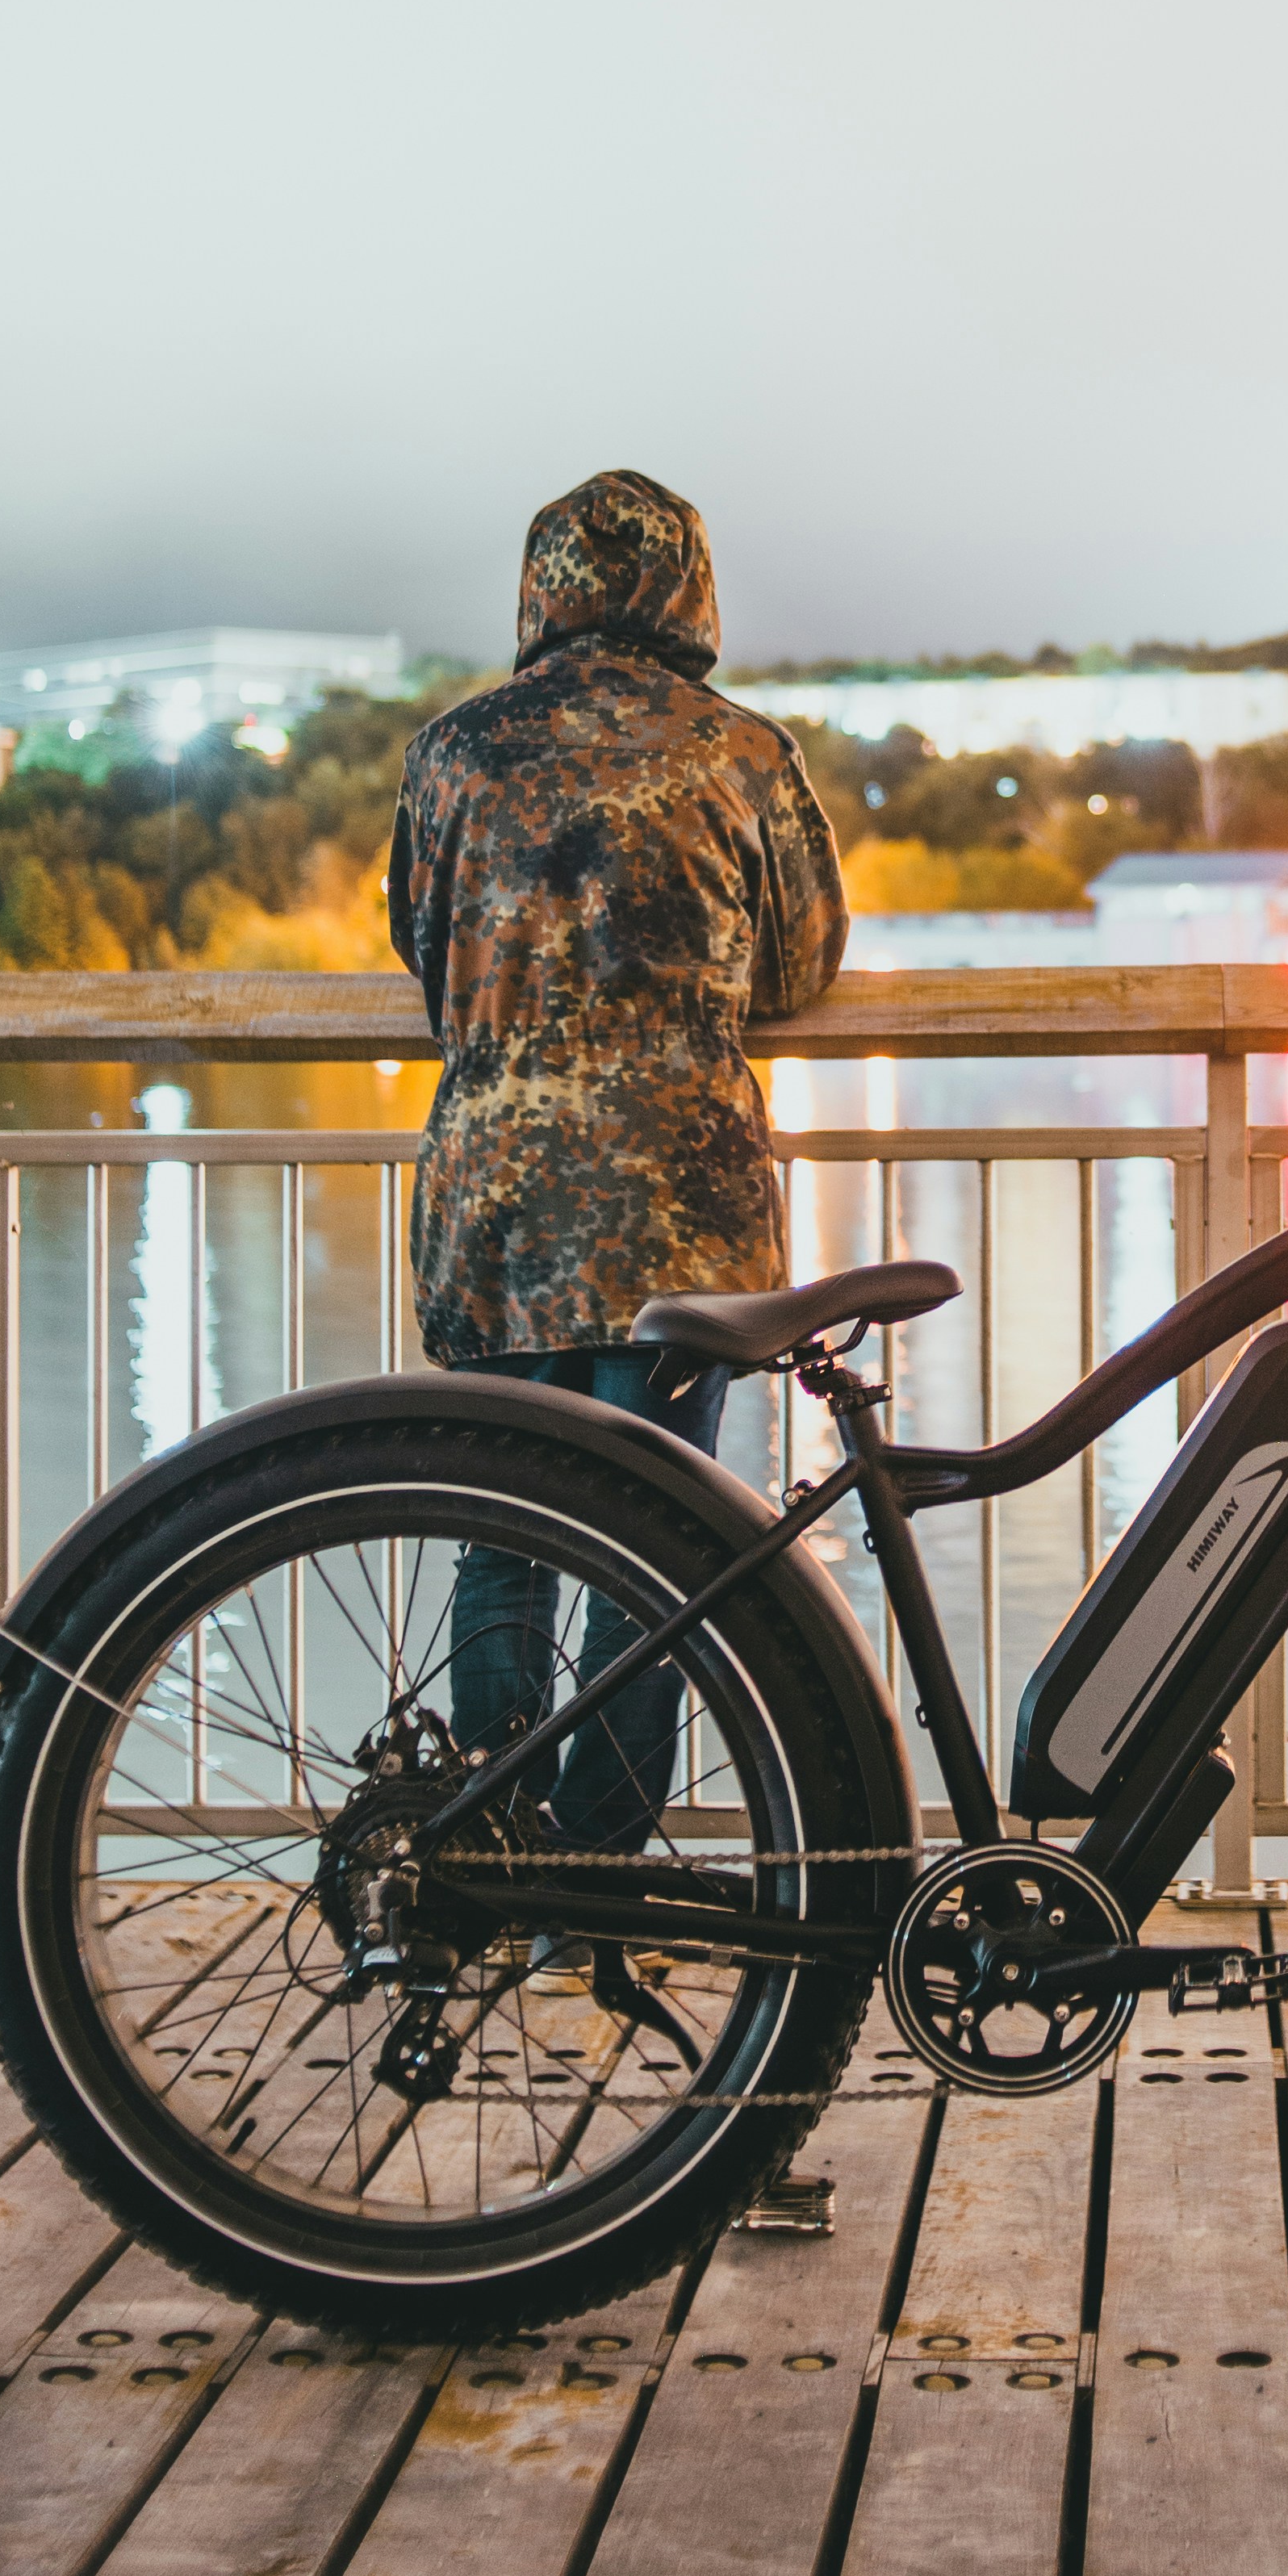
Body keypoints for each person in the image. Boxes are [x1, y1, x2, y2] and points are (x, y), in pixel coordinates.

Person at [387, 469, 847, 1876]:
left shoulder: (452, 756)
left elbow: (421, 941)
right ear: (688, 587)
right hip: (675, 1212)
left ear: (541, 587)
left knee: (502, 1533)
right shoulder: (744, 755)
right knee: (654, 1552)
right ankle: (599, 1858)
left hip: (498, 1204)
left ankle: (484, 1851)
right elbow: (802, 962)